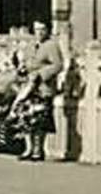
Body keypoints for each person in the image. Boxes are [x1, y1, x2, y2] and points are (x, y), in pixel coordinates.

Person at [12, 19, 64, 162]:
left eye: (42, 29)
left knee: (39, 118)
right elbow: (26, 62)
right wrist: (23, 68)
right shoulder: (30, 46)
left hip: (43, 87)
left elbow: (58, 65)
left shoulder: (52, 45)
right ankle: (28, 148)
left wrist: (41, 74)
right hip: (28, 86)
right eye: (36, 29)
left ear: (48, 30)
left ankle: (38, 149)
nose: (39, 33)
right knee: (25, 117)